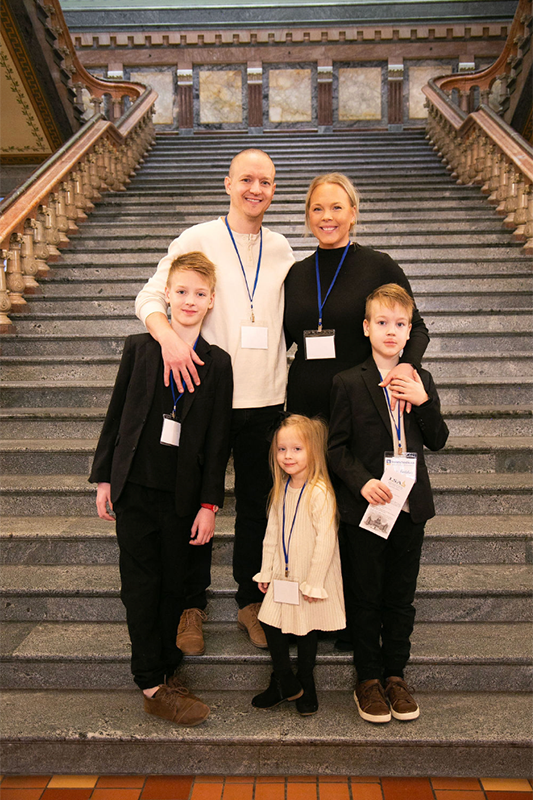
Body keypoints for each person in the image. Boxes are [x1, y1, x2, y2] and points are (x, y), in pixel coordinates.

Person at [134, 149, 294, 653]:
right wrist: (169, 339)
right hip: (203, 398)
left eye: (265, 181)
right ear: (228, 183)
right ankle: (190, 605)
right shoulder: (197, 238)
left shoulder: (283, 247)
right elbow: (150, 296)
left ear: (273, 189)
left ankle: (250, 600)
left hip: (266, 400)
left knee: (254, 507)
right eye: (246, 179)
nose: (256, 189)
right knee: (190, 505)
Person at [89, 252, 233, 726]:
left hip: (183, 497)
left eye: (199, 294)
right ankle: (151, 683)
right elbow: (117, 417)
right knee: (140, 587)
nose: (189, 301)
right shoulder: (140, 348)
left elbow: (217, 441)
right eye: (181, 291)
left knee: (175, 586)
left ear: (211, 301)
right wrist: (105, 476)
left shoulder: (218, 364)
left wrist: (210, 503)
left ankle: (169, 672)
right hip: (134, 488)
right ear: (166, 294)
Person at [328, 284, 449, 724]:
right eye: (382, 323)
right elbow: (336, 449)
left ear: (410, 329)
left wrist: (423, 403)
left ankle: (396, 675)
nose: (392, 331)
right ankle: (367, 678)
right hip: (369, 507)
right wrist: (361, 484)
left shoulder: (422, 380)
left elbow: (437, 439)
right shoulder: (347, 381)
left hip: (410, 506)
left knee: (400, 596)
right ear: (366, 328)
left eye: (401, 324)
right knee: (366, 594)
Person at [284, 172, 430, 421]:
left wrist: (408, 364)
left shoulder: (379, 266)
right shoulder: (296, 273)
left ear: (352, 214)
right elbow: (282, 339)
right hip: (304, 406)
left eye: (336, 207)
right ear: (309, 216)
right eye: (317, 208)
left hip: (360, 404)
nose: (327, 216)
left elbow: (417, 328)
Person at [252, 414, 345, 715]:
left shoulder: (319, 492)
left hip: (309, 575)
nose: (287, 456)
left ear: (313, 452)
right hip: (284, 573)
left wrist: (315, 582)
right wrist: (266, 570)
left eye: (296, 449)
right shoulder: (281, 490)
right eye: (282, 449)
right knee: (269, 620)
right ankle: (284, 680)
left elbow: (326, 540)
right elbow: (271, 535)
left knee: (307, 631)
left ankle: (305, 680)